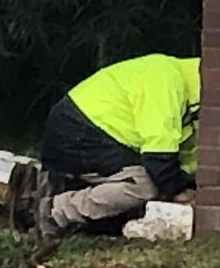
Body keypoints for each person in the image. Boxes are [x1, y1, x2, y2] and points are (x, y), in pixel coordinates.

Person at [35, 54, 200, 240]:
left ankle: (58, 188)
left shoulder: (184, 91)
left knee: (150, 186)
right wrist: (179, 192)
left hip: (90, 130)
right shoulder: (166, 82)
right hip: (77, 130)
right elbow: (158, 157)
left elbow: (183, 159)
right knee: (142, 186)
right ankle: (55, 211)